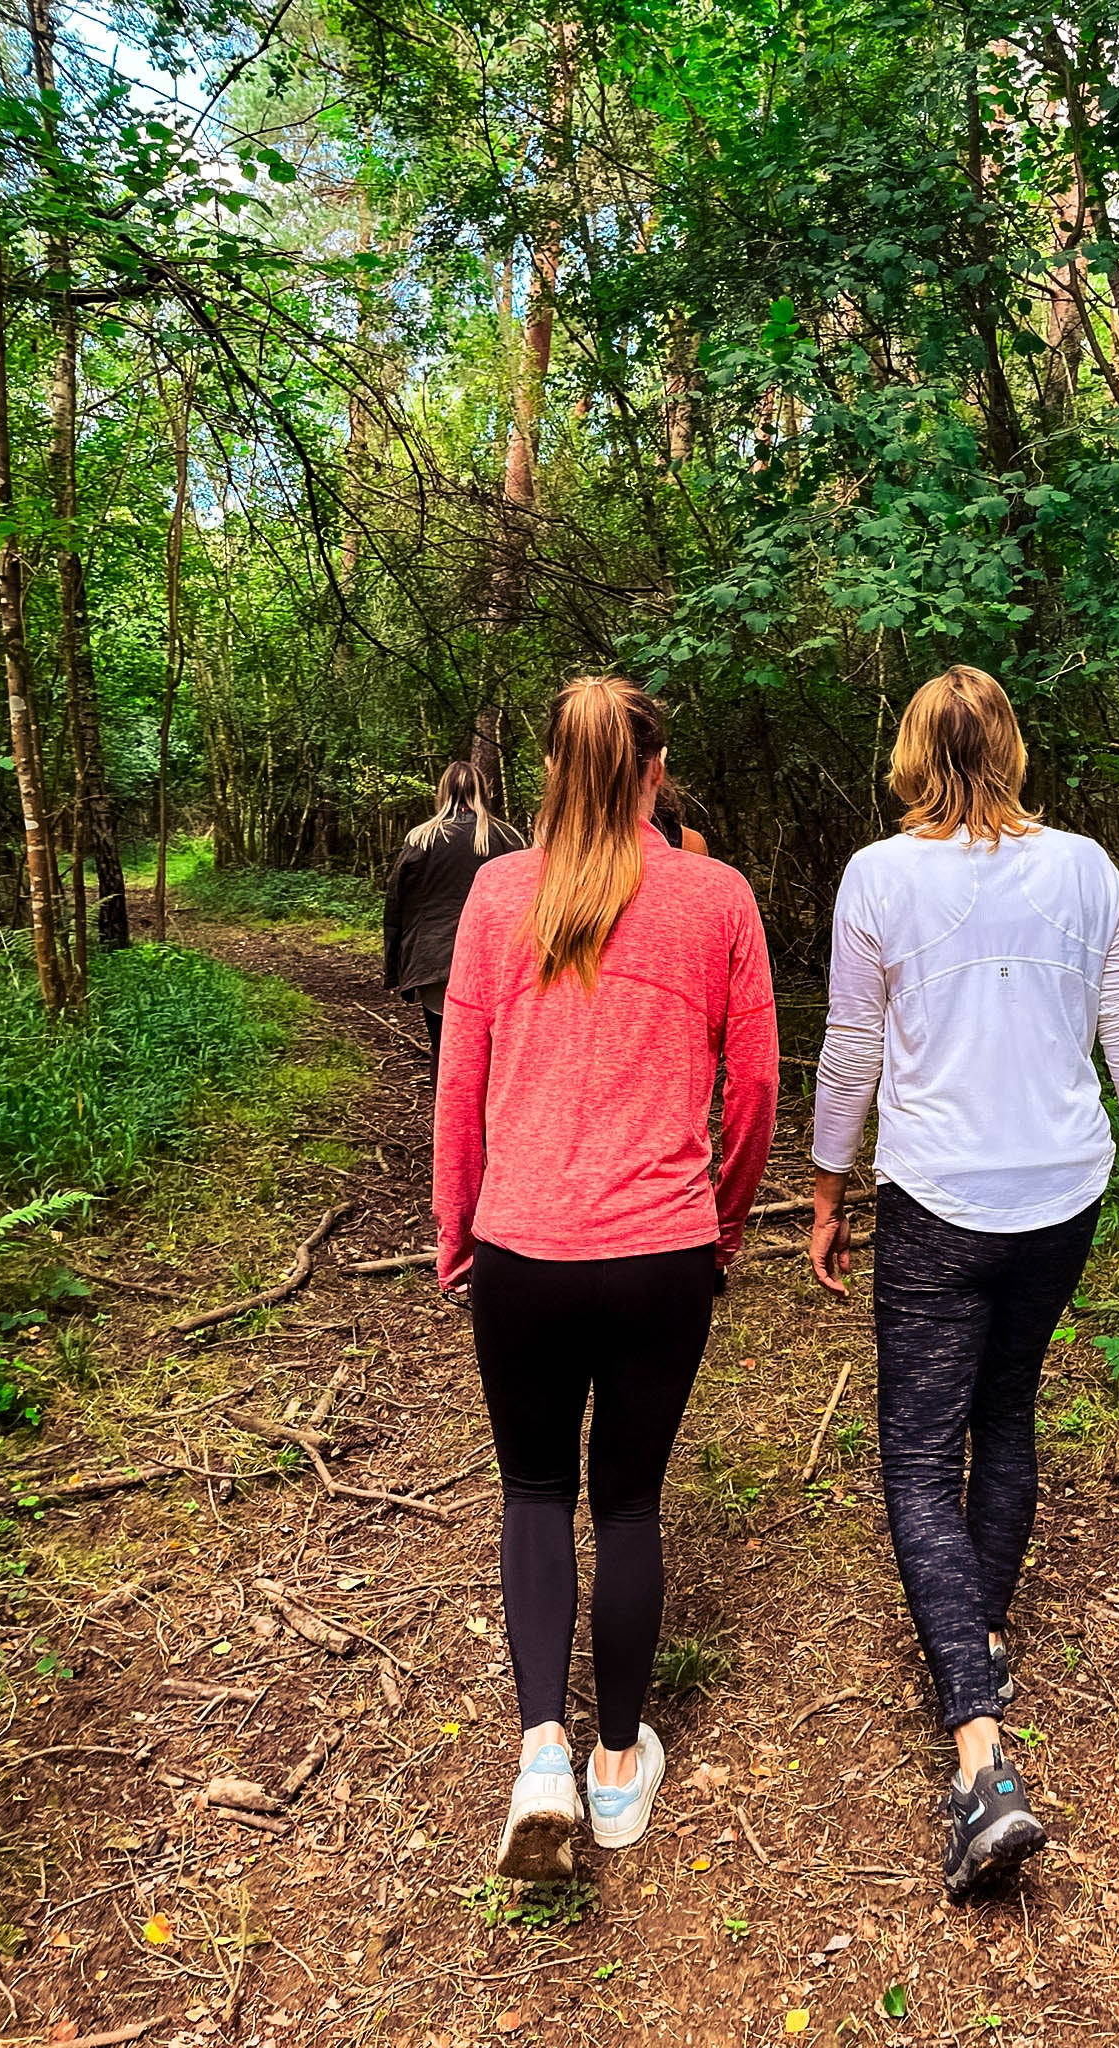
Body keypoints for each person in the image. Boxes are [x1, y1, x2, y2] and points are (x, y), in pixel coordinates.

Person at [807, 665, 1119, 1899]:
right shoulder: (1084, 866)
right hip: (1062, 1195)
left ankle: (980, 1756)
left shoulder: (880, 874)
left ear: (917, 753)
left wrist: (825, 1186)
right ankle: (977, 1640)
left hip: (937, 1198)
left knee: (921, 1454)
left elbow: (854, 1046)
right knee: (1008, 1415)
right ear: (1015, 749)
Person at [433, 674, 778, 1879]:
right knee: (627, 1498)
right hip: (660, 1254)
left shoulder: (495, 894)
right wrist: (722, 1223)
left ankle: (541, 1752)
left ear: (550, 769)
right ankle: (620, 1762)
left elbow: (459, 1079)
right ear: (654, 769)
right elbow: (758, 1087)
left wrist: (456, 1226)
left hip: (522, 1247)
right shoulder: (715, 895)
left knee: (535, 1491)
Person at [383, 762, 522, 1086]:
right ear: (483, 792)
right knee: (494, 1053)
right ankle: (488, 1132)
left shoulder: (421, 839)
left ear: (442, 791)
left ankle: (450, 1132)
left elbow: (396, 905)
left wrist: (396, 968)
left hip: (435, 962)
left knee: (444, 1050)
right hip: (494, 962)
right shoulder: (507, 838)